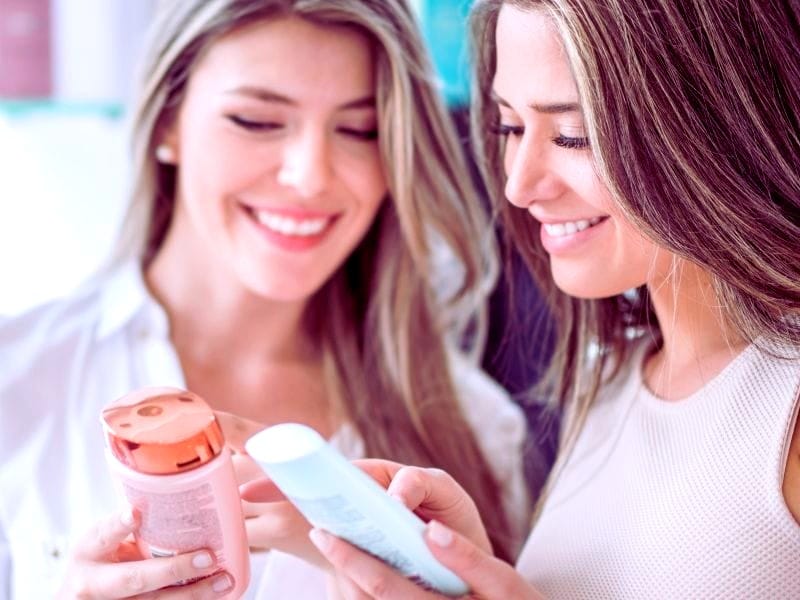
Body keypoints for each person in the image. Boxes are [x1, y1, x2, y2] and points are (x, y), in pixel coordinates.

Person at [0, 1, 532, 598]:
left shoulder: (474, 429)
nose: (310, 176)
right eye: (256, 120)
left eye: (360, 130)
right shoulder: (16, 383)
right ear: (168, 123)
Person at [272, 0, 800, 597]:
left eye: (574, 136)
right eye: (510, 127)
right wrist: (470, 576)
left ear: (719, 127)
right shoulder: (613, 374)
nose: (518, 187)